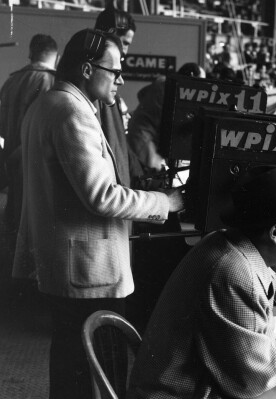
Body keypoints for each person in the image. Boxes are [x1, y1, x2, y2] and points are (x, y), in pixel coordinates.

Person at [12, 29, 184, 399]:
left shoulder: (48, 104)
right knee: (97, 374)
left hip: (69, 266)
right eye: (115, 70)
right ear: (88, 69)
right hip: (89, 274)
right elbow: (103, 196)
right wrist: (165, 203)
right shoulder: (72, 113)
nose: (121, 79)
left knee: (69, 366)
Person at [127, 165, 276, 398]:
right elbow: (251, 380)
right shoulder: (234, 272)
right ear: (275, 232)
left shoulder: (233, 247)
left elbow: (260, 331)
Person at [0, 34, 58, 230]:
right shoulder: (50, 81)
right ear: (55, 56)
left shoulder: (10, 82)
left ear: (31, 53)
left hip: (11, 165)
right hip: (35, 165)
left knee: (13, 226)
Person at [94, 6, 137, 187]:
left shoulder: (106, 93)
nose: (125, 51)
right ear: (111, 34)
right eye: (125, 42)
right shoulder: (97, 93)